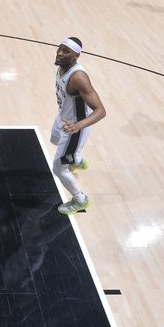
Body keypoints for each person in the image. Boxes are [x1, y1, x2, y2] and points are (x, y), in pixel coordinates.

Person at [50, 37, 106, 215]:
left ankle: (80, 200)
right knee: (54, 139)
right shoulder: (62, 67)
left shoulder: (79, 78)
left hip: (75, 127)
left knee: (59, 169)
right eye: (60, 48)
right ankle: (77, 159)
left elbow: (100, 111)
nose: (60, 52)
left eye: (66, 51)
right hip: (64, 118)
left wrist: (78, 126)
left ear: (77, 56)